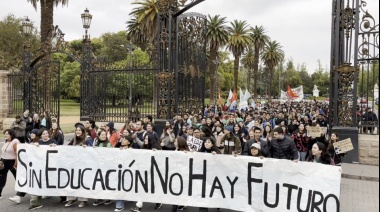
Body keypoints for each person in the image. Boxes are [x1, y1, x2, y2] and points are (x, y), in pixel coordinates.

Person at [64, 124, 92, 208]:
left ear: (83, 132)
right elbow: (66, 148)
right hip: (74, 164)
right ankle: (71, 198)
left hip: (84, 165)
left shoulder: (87, 140)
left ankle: (83, 200)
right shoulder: (74, 139)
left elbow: (93, 150)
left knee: (82, 182)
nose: (78, 132)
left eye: (80, 130)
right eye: (77, 130)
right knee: (71, 181)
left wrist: (87, 148)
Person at [0, 130, 21, 200]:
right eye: (4, 134)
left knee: (17, 177)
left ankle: (19, 194)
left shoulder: (15, 141)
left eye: (6, 134)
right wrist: (1, 160)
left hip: (12, 162)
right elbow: (4, 152)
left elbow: (18, 153)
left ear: (11, 135)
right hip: (4, 162)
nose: (5, 136)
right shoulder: (6, 142)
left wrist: (16, 163)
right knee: (1, 178)